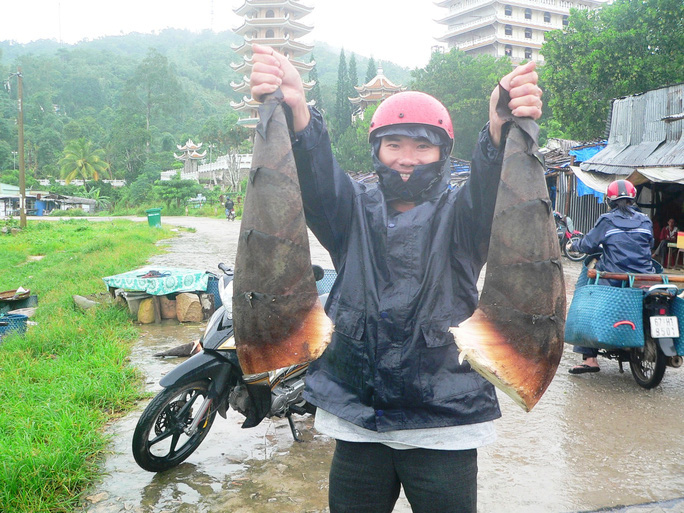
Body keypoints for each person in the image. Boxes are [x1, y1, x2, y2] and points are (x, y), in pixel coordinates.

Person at [250, 43, 542, 513]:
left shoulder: (464, 217)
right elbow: (317, 177)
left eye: (422, 145)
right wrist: (298, 109)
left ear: (443, 152)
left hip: (444, 423)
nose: (407, 158)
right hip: (357, 418)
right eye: (395, 144)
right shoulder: (349, 212)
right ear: (377, 150)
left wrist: (499, 127)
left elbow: (491, 185)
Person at [568, 179, 654, 375]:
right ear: (633, 198)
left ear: (609, 200)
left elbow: (589, 244)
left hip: (614, 278)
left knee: (585, 298)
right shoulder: (645, 220)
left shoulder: (607, 220)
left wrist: (574, 245)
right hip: (645, 278)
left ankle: (590, 359)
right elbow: (649, 245)